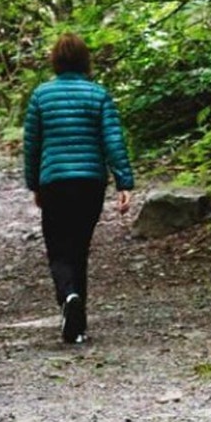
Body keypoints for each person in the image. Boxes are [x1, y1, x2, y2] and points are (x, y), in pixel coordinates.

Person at [22, 32, 134, 345]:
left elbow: (32, 144)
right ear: (86, 60)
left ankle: (69, 297)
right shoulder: (98, 95)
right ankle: (78, 322)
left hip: (54, 181)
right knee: (79, 249)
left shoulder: (41, 96)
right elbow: (113, 140)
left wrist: (34, 182)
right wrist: (123, 181)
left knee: (58, 249)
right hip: (90, 182)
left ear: (55, 61)